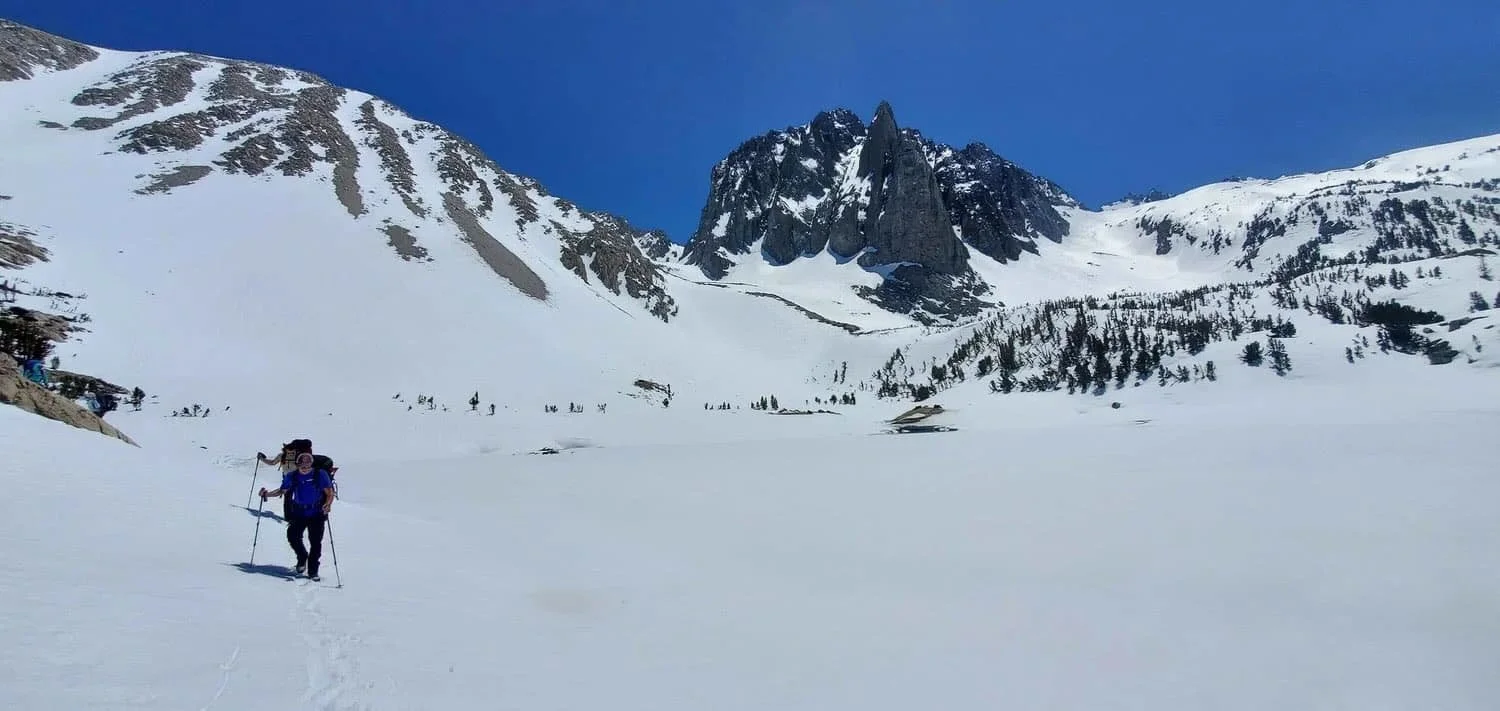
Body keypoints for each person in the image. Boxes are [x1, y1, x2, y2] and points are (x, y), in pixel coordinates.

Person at [260, 453, 335, 580]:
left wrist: (327, 504)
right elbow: (282, 491)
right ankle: (302, 557)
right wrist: (266, 494)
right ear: (297, 465)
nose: (305, 468)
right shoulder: (292, 476)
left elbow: (329, 492)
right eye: (302, 465)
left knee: (315, 542)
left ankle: (313, 571)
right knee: (293, 536)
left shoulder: (320, 474)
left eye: (307, 465)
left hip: (317, 512)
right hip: (299, 512)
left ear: (311, 464)